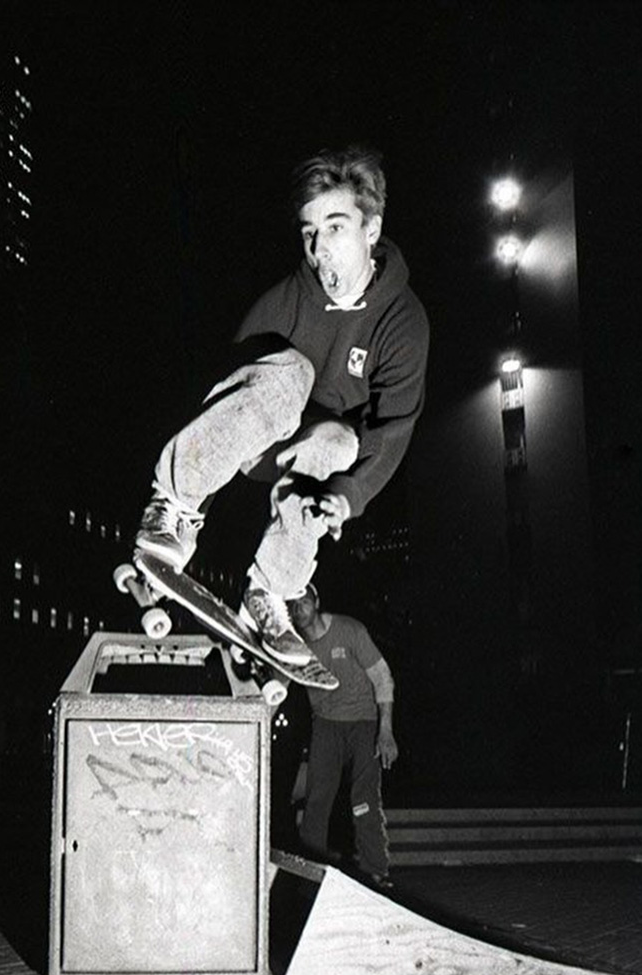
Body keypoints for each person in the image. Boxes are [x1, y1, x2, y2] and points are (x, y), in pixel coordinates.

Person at [136, 145, 428, 663]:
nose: (320, 251)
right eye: (309, 233)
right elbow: (224, 393)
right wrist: (187, 500)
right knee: (292, 373)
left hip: (311, 466)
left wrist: (351, 495)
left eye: (336, 228)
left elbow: (395, 426)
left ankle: (270, 591)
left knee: (339, 439)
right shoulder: (287, 300)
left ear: (372, 231)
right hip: (254, 437)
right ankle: (172, 508)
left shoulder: (403, 322)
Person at [288, 584, 397, 883]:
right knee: (317, 799)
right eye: (293, 605)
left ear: (317, 601)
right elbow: (277, 686)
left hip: (363, 722)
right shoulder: (292, 644)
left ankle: (376, 870)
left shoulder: (350, 630)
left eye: (305, 602)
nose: (300, 610)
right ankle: (308, 872)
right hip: (325, 723)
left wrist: (385, 731)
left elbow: (383, 678)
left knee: (363, 799)